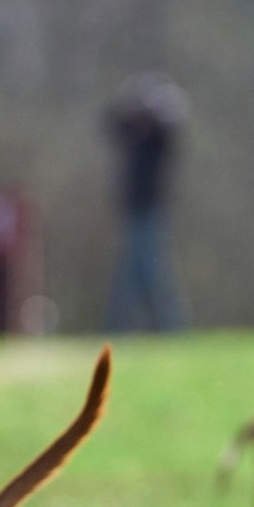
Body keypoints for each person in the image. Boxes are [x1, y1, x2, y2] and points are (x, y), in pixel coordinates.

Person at [104, 71, 188, 333]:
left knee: (149, 273)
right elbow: (110, 121)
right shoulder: (134, 135)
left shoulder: (158, 138)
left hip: (152, 210)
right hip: (133, 210)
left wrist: (156, 106)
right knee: (137, 273)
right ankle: (142, 327)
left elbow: (173, 122)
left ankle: (165, 327)